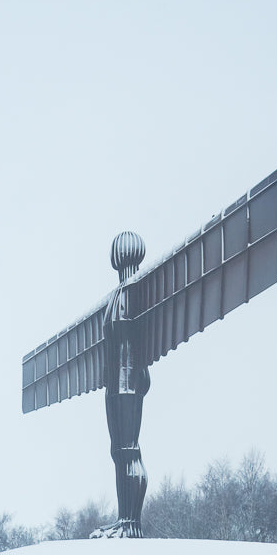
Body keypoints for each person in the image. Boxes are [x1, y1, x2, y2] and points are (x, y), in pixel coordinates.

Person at [94, 231, 149, 538]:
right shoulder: (115, 297)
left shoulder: (140, 291)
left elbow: (139, 337)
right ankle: (123, 518)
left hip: (129, 382)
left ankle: (132, 522)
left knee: (129, 449)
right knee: (118, 450)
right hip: (115, 384)